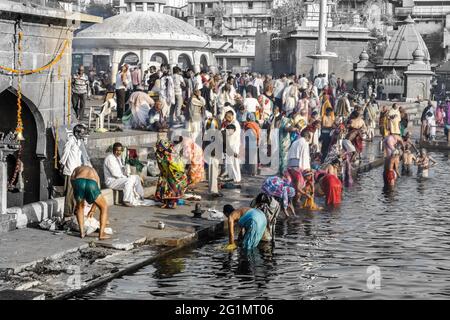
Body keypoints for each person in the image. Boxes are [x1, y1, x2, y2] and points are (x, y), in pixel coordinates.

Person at [60, 124, 91, 218]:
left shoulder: (78, 141)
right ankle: (67, 213)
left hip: (77, 171)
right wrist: (62, 164)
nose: (83, 135)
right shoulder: (70, 140)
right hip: (70, 170)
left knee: (75, 192)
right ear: (77, 133)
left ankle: (74, 211)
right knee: (69, 193)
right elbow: (65, 153)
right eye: (82, 133)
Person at [71, 165, 109, 240]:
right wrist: (93, 209)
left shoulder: (77, 168)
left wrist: (78, 202)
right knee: (104, 207)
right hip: (91, 183)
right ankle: (101, 234)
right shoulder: (94, 171)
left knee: (80, 207)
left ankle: (82, 232)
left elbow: (72, 180)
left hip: (78, 182)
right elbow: (98, 190)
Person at [103, 143, 145, 207]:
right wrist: (126, 177)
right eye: (117, 150)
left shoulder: (118, 158)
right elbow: (115, 174)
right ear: (113, 150)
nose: (119, 152)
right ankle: (126, 200)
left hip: (119, 179)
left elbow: (122, 170)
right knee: (128, 180)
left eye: (120, 150)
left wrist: (126, 170)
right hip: (112, 181)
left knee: (136, 177)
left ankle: (141, 195)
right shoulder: (110, 158)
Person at [154, 139, 188, 209]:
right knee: (163, 187)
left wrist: (169, 156)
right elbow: (159, 162)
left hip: (174, 172)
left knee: (174, 188)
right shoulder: (158, 153)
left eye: (161, 147)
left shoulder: (171, 152)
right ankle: (166, 203)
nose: (159, 148)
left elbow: (177, 162)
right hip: (165, 172)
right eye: (158, 147)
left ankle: (173, 203)